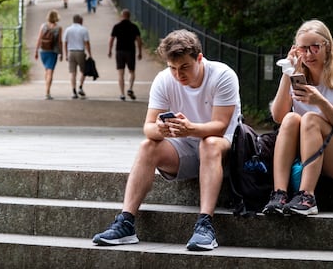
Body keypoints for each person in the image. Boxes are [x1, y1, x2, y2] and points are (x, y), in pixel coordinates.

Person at [93, 29, 241, 251]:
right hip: (187, 149)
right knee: (147, 146)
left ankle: (205, 225)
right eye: (173, 68)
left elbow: (219, 127)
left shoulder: (222, 75)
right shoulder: (164, 80)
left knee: (208, 142)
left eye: (184, 67)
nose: (178, 75)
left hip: (224, 150)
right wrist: (160, 130)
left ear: (199, 59)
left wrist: (190, 128)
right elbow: (148, 127)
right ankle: (126, 222)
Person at [262, 19, 333, 216]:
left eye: (315, 47)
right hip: (307, 150)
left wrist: (320, 102)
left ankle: (307, 196)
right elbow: (278, 117)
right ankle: (279, 194)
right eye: (303, 49)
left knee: (310, 118)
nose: (308, 54)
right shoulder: (296, 74)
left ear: (327, 46)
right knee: (291, 119)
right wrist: (287, 72)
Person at [108, 9, 142, 101]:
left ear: (122, 16)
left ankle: (122, 94)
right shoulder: (134, 27)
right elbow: (139, 40)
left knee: (120, 73)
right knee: (131, 71)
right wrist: (140, 52)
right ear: (129, 16)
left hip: (119, 51)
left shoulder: (117, 26)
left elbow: (111, 39)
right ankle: (130, 88)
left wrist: (110, 50)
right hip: (130, 51)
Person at [34, 9, 63, 100]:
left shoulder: (43, 26)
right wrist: (61, 53)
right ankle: (47, 92)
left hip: (43, 51)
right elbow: (59, 42)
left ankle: (46, 87)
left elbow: (39, 39)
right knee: (50, 71)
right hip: (52, 51)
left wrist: (36, 51)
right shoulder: (58, 28)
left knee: (47, 70)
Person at [63, 14, 92, 99]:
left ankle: (73, 91)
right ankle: (80, 87)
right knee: (83, 71)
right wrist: (90, 53)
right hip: (80, 52)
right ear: (80, 21)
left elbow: (65, 42)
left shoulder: (68, 29)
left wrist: (66, 54)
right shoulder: (84, 30)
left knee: (73, 73)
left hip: (71, 52)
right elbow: (87, 43)